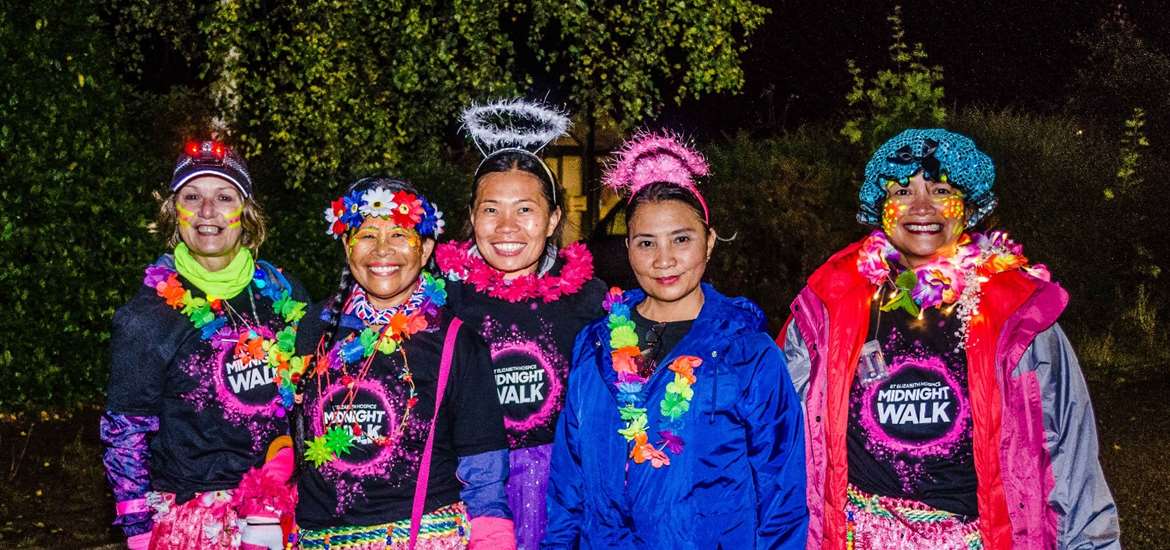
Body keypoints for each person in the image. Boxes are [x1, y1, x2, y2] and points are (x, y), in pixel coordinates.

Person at [780, 129, 1121, 549]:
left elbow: (1071, 452)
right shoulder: (830, 305)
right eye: (902, 190)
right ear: (881, 206)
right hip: (856, 538)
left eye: (941, 189)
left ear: (971, 205)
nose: (921, 206)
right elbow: (779, 438)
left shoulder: (1020, 313)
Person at [543, 133, 808, 549]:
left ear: (710, 241)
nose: (663, 259)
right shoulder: (596, 346)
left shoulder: (748, 354)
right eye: (646, 243)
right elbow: (568, 485)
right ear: (628, 248)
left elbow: (783, 495)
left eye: (681, 239)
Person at [102, 140, 309, 550]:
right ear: (173, 212)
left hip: (283, 512)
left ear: (246, 213)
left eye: (224, 197)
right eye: (192, 197)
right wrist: (139, 531)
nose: (208, 212)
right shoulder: (147, 315)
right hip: (193, 522)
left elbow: (307, 402)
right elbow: (125, 432)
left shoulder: (282, 293)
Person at [292, 176, 514, 549]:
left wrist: (492, 539)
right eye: (366, 235)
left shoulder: (456, 341)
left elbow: (484, 468)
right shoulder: (314, 328)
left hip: (422, 537)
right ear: (347, 246)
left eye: (399, 235)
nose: (382, 250)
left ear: (426, 249)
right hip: (320, 538)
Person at [435, 99, 606, 550]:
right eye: (491, 210)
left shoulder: (590, 302)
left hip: (568, 497)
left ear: (552, 219)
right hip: (469, 496)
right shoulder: (441, 301)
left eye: (525, 210)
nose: (506, 226)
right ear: (472, 219)